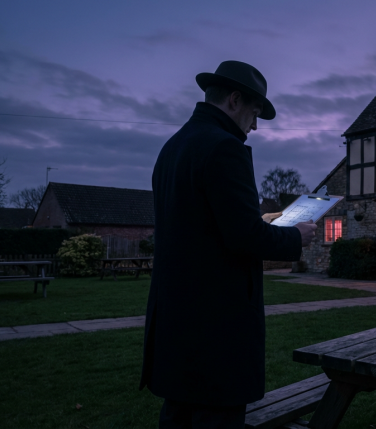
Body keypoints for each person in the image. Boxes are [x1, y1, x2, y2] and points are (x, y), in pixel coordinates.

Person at [140, 60, 317, 429]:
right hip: (216, 331)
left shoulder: (171, 149)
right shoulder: (224, 148)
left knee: (179, 416)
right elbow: (243, 235)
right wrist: (294, 236)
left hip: (176, 324)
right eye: (254, 114)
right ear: (235, 100)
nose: (254, 127)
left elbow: (209, 229)